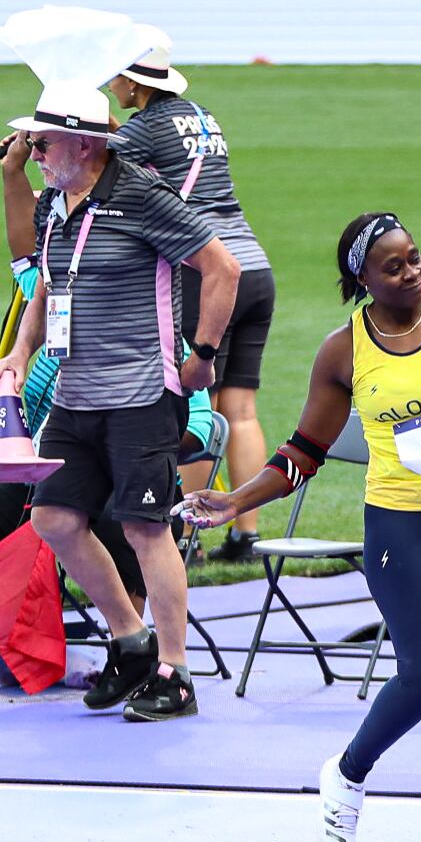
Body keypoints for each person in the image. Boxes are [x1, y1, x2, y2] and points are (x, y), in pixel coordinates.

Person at [177, 212, 421, 842]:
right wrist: (234, 500)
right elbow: (301, 453)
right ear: (362, 278)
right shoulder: (342, 351)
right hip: (401, 524)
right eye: (394, 266)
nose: (412, 271)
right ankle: (347, 772)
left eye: (415, 257)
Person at [0, 81, 240, 723]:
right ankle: (131, 641)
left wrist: (204, 355)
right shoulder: (55, 204)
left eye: (43, 141)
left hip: (141, 395)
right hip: (76, 395)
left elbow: (223, 268)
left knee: (146, 529)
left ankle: (175, 673)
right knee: (55, 521)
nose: (34, 150)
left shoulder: (139, 197)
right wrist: (20, 354)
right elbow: (50, 285)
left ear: (86, 143)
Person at [109, 28, 275, 563]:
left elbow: (96, 161)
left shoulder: (144, 127)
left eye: (115, 74)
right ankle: (245, 533)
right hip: (254, 269)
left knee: (192, 406)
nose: (110, 84)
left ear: (134, 81)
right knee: (242, 410)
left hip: (206, 274)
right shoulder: (200, 116)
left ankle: (186, 537)